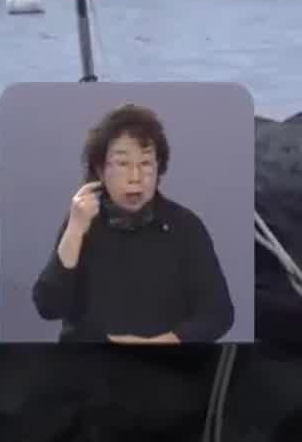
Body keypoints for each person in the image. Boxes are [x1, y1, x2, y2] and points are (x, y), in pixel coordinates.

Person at [30, 103, 233, 344]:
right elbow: (48, 307)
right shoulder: (82, 222)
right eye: (123, 164)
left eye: (146, 164)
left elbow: (218, 314)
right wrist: (75, 229)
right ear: (100, 170)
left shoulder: (186, 226)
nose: (135, 177)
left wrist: (165, 343)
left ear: (159, 168)